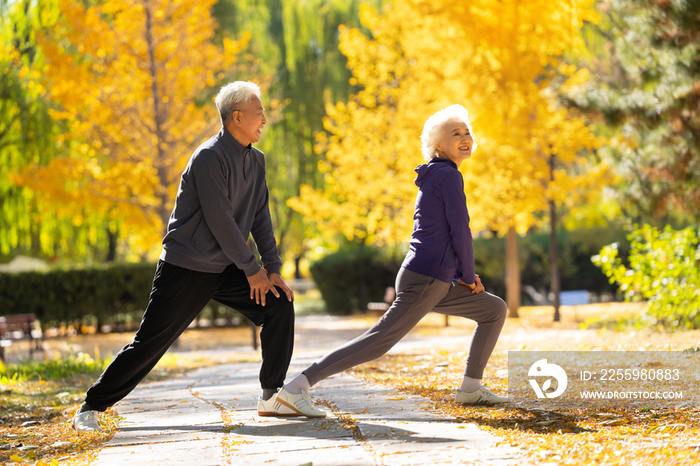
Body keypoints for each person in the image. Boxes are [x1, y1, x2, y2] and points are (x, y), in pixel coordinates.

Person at [72, 81, 298, 432]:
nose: (264, 119)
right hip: (186, 266)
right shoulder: (208, 156)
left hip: (226, 266)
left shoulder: (256, 161)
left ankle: (272, 395)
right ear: (236, 117)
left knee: (279, 303)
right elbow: (221, 220)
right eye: (259, 112)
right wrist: (253, 270)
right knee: (150, 342)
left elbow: (259, 217)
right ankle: (91, 407)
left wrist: (272, 268)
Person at [274, 104, 508, 418]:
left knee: (493, 309)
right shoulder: (447, 177)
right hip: (427, 279)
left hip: (433, 279)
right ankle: (295, 389)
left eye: (467, 132)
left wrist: (461, 275)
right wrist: (468, 274)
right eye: (456, 134)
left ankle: (470, 387)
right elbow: (460, 231)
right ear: (439, 145)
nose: (465, 138)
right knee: (378, 342)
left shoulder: (439, 174)